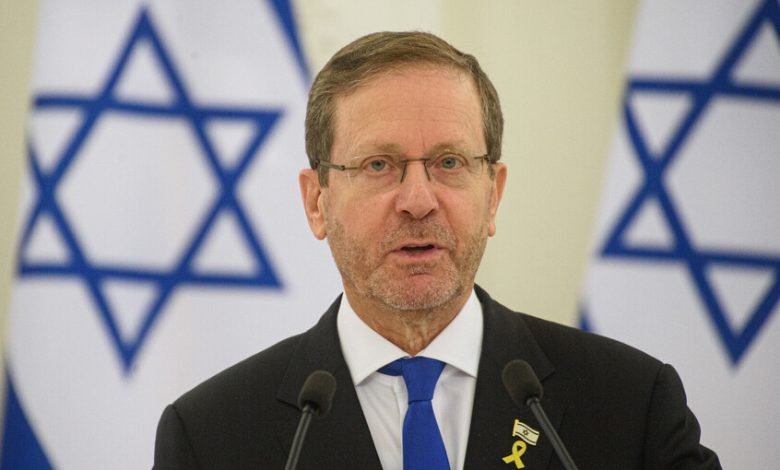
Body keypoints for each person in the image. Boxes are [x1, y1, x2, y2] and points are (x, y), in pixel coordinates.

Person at [153, 31, 720, 469]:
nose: (418, 201)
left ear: (493, 194)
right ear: (316, 202)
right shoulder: (211, 436)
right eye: (379, 164)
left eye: (450, 162)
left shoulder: (631, 404)